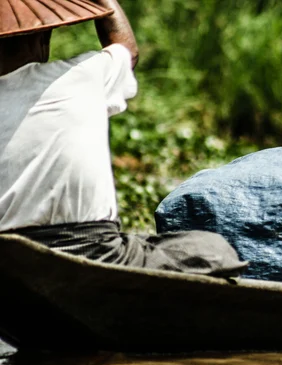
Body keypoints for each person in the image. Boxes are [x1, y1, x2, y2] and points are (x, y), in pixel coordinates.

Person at [0, 0, 247, 276]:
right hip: (93, 253)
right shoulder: (83, 75)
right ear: (44, 38)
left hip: (7, 264)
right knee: (211, 250)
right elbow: (126, 51)